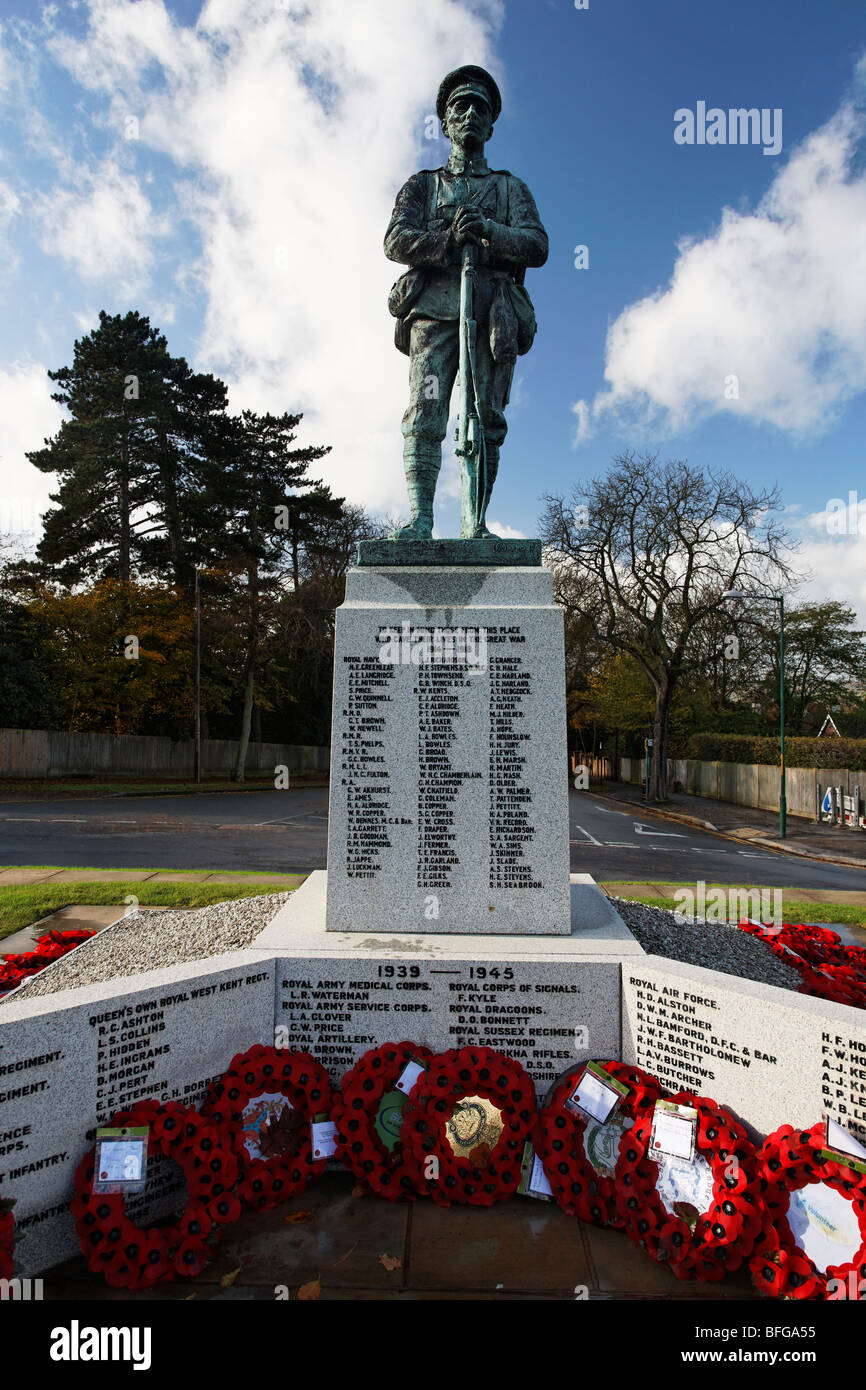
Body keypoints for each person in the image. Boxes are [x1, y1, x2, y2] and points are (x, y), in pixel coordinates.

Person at [385, 65, 548, 540]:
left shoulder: (509, 188)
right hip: (434, 313)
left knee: (485, 418)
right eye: (461, 105)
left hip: (491, 317)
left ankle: (475, 525)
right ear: (446, 123)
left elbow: (537, 245)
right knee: (425, 412)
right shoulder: (422, 185)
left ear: (492, 124)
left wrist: (491, 233)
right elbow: (395, 240)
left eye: (481, 105)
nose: (471, 112)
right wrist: (447, 238)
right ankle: (419, 520)